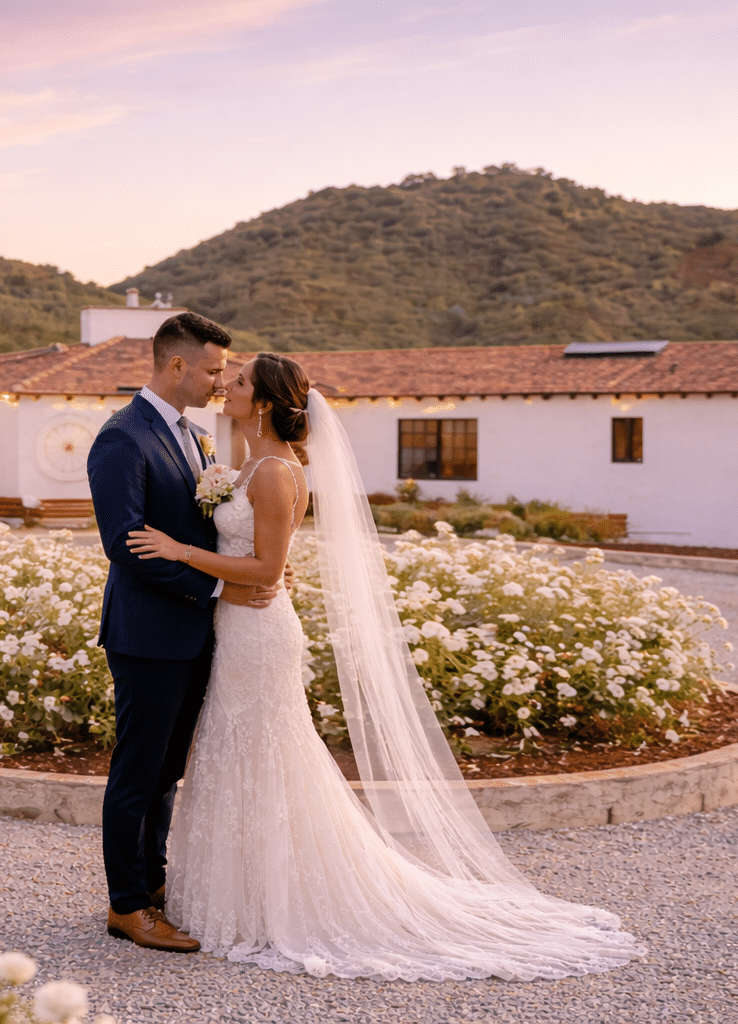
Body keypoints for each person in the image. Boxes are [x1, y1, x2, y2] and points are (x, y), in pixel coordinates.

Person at [125, 353, 646, 981]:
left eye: (237, 382)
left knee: (263, 752)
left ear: (262, 402)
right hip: (235, 626)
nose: (224, 387)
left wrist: (179, 550)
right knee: (236, 752)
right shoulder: (253, 466)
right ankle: (242, 892)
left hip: (258, 634)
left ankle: (276, 900)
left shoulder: (275, 473)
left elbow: (266, 570)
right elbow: (263, 559)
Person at [86, 312, 281, 953]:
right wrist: (220, 589)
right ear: (177, 365)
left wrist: (249, 571)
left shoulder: (196, 437)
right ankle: (126, 907)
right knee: (137, 773)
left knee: (167, 772)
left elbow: (205, 532)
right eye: (214, 370)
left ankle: (154, 885)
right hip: (147, 635)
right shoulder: (123, 438)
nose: (221, 382)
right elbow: (126, 545)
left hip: (198, 634)